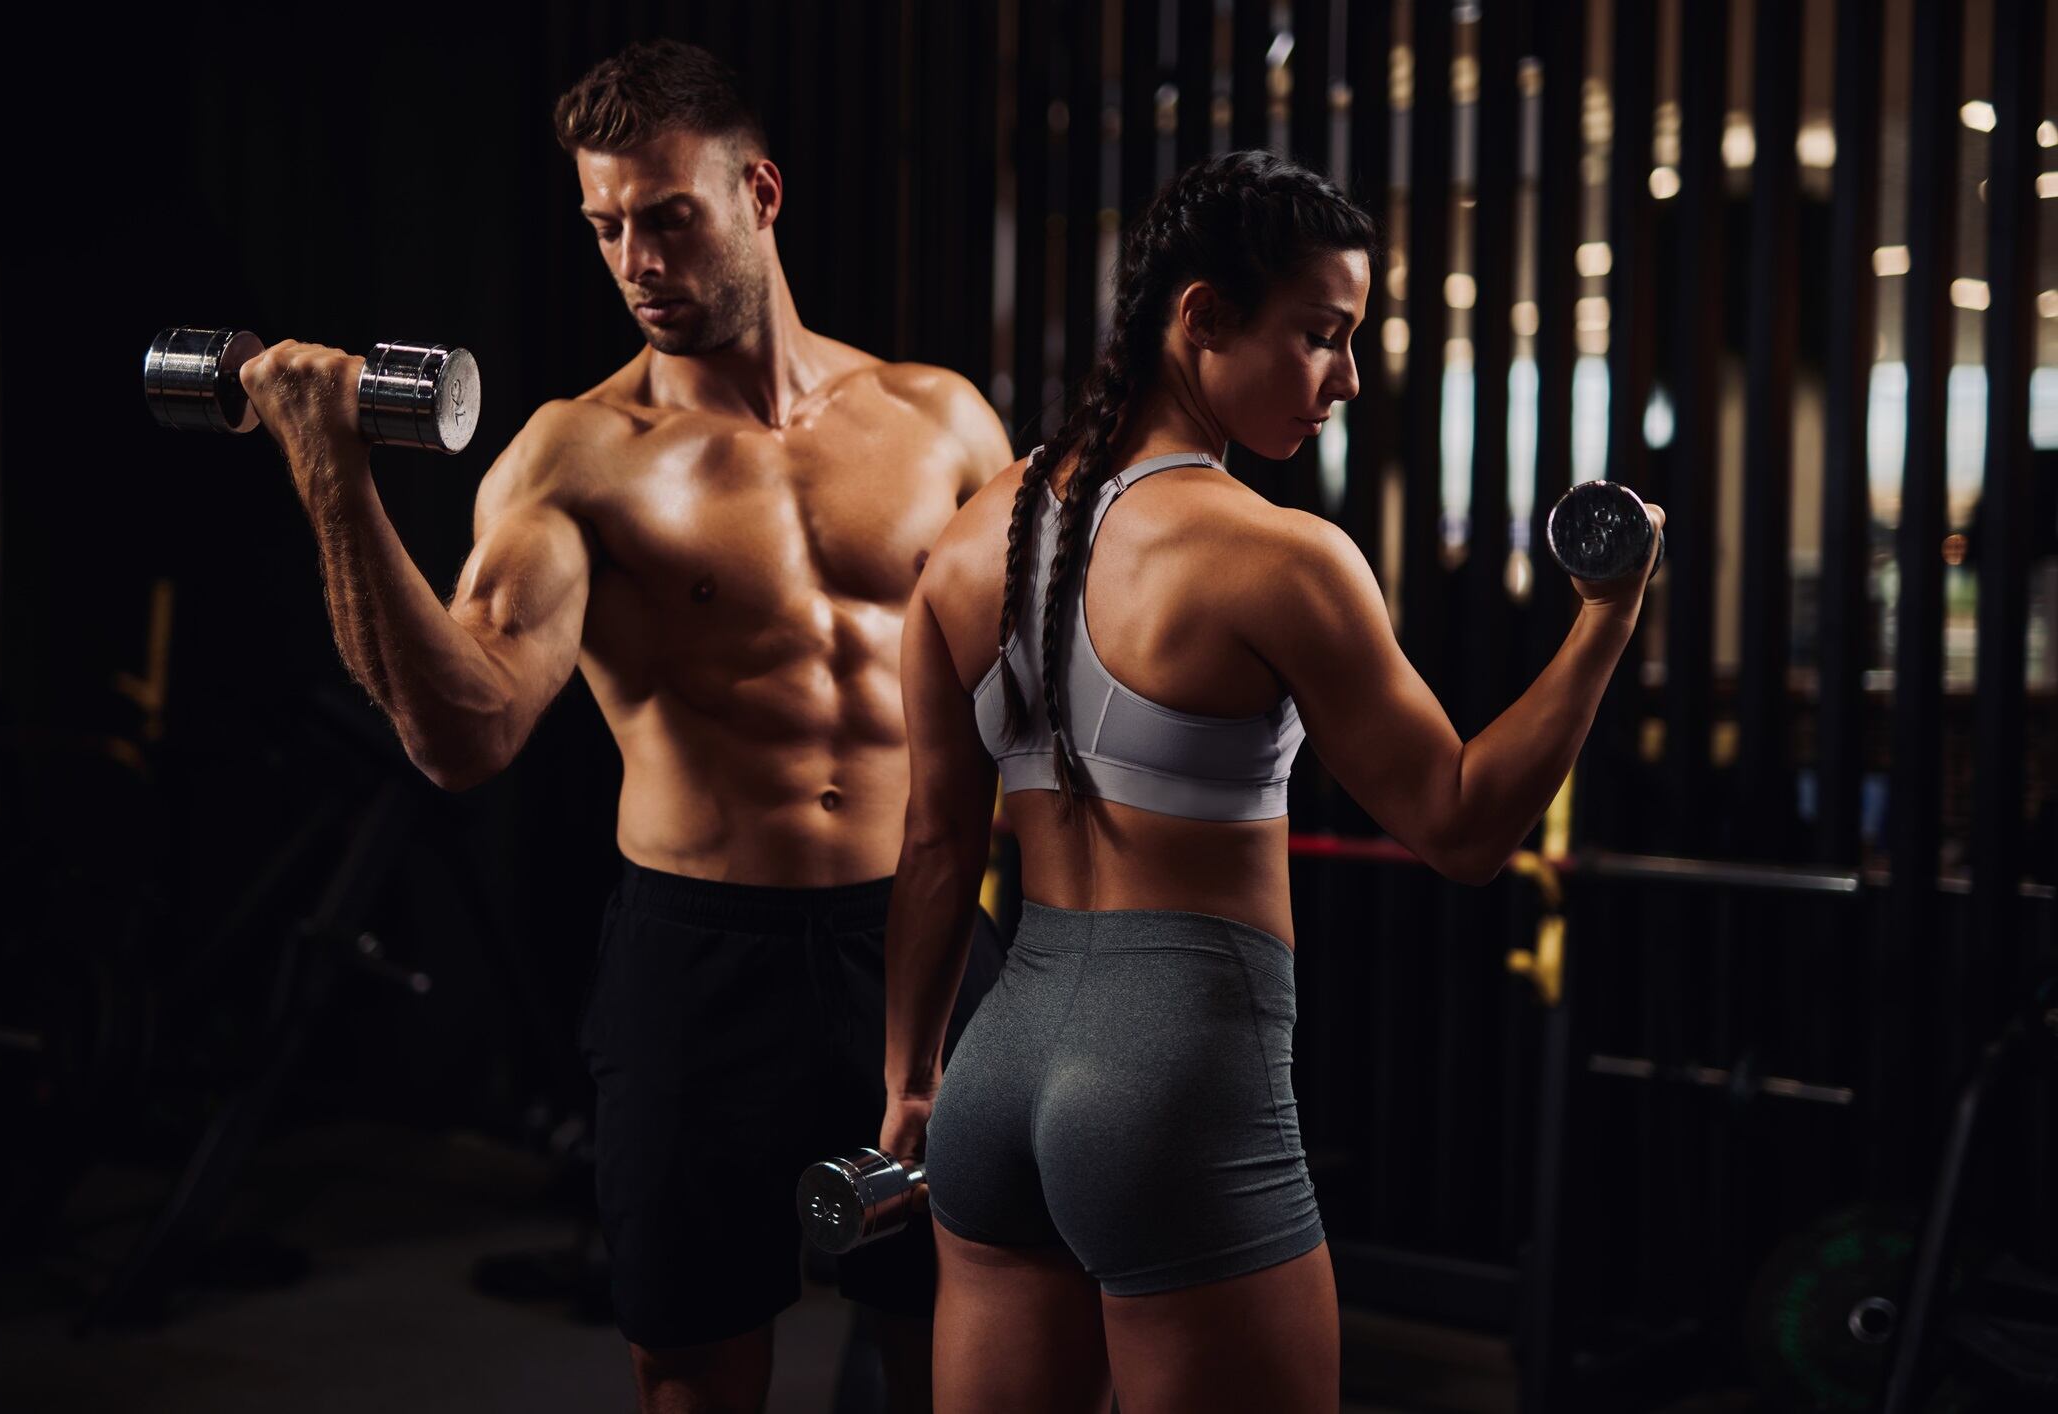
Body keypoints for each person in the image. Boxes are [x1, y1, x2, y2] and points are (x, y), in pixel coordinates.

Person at [235, 37, 1011, 1414]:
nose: (637, 258)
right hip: (700, 962)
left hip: (927, 939)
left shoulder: (941, 419)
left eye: (669, 216)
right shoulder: (573, 457)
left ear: (760, 191)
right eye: (606, 228)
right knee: (694, 1371)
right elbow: (462, 734)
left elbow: (1034, 692)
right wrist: (332, 476)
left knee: (967, 1348)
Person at [878, 150, 1663, 1414]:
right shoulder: (1279, 557)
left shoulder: (970, 538)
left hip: (990, 1071)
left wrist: (909, 1077)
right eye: (1320, 336)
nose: (1345, 380)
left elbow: (929, 849)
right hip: (1174, 1081)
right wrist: (1606, 620)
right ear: (1198, 318)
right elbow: (1461, 825)